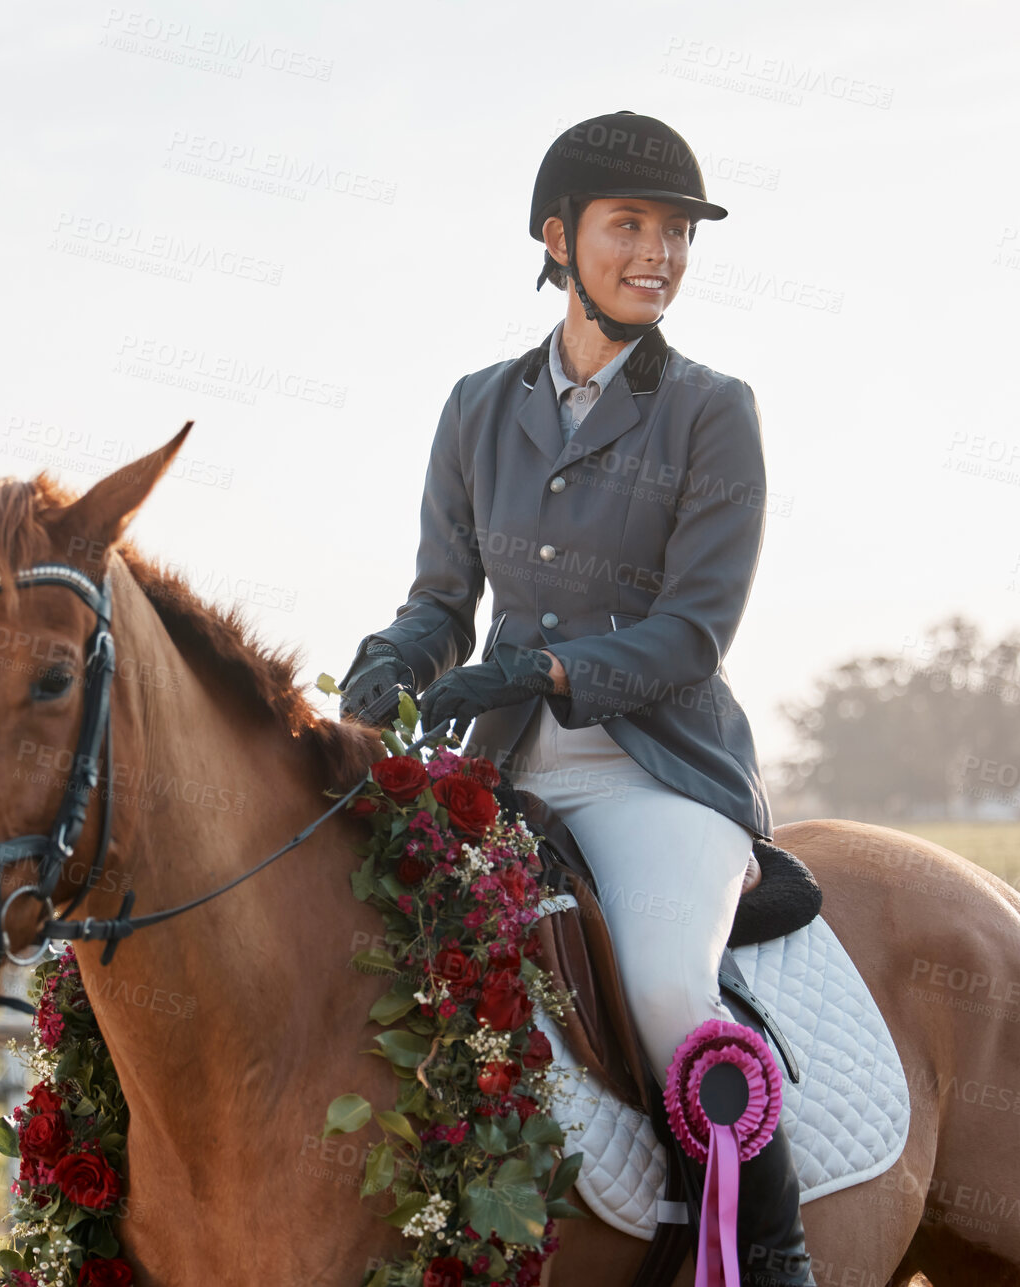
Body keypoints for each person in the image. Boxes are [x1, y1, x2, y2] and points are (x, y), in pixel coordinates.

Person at [339, 111, 813, 1286]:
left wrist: (550, 672)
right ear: (558, 237)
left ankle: (772, 1251)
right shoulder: (475, 407)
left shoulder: (713, 409)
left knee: (662, 984)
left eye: (675, 233)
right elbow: (441, 599)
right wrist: (392, 658)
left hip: (655, 775)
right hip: (501, 776)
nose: (658, 253)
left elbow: (692, 631)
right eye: (629, 226)